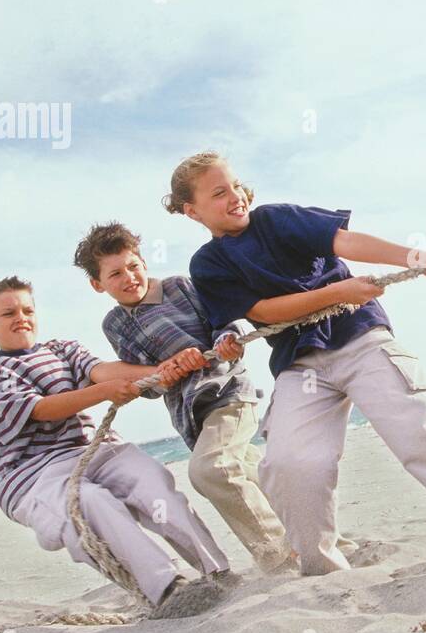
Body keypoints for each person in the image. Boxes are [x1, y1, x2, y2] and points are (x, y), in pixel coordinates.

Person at [165, 151, 426, 575]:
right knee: (290, 464)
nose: (236, 197)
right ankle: (326, 575)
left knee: (424, 435)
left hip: (358, 337)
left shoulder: (276, 219)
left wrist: (414, 257)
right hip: (300, 363)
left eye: (236, 186)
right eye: (219, 193)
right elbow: (262, 312)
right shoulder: (207, 263)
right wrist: (335, 292)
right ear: (192, 211)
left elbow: (345, 242)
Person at [0, 275, 230, 615]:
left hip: (95, 448)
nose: (21, 318)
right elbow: (40, 410)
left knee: (152, 482)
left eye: (27, 310)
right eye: (8, 313)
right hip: (36, 474)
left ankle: (217, 572)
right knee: (92, 502)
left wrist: (163, 369)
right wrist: (102, 393)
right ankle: (166, 587)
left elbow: (104, 371)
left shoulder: (62, 349)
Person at [74, 221, 292, 573]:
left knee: (210, 471)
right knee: (253, 474)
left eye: (133, 266)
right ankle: (317, 537)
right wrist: (167, 370)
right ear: (98, 284)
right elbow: (147, 382)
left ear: (144, 262)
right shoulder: (114, 324)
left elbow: (224, 322)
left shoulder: (179, 287)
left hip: (228, 393)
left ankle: (280, 556)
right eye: (115, 274)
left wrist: (225, 342)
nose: (129, 277)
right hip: (190, 415)